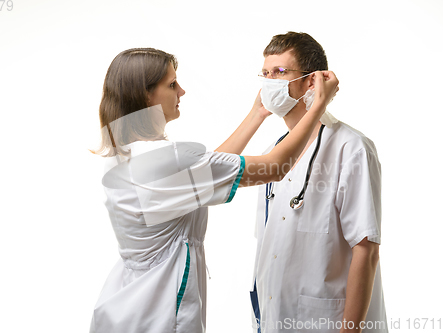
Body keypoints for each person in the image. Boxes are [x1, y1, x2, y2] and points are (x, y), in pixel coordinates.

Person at [88, 48, 339, 333]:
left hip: (123, 303)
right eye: (171, 84)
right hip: (155, 313)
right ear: (146, 95)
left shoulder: (127, 152)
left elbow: (206, 172)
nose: (181, 91)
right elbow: (274, 167)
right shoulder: (166, 159)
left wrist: (257, 115)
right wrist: (318, 104)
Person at [250, 32, 387, 333]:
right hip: (274, 318)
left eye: (281, 73)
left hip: (327, 322)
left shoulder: (350, 148)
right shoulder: (271, 154)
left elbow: (365, 249)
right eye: (265, 74)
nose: (270, 82)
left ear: (312, 81)